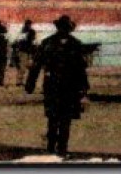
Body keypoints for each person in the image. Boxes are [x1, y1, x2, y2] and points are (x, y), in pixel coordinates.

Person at [27, 15, 90, 156]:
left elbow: (81, 70)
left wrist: (84, 91)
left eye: (66, 28)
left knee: (65, 119)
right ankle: (51, 148)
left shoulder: (76, 44)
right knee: (53, 118)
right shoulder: (47, 43)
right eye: (62, 28)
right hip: (52, 86)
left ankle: (62, 149)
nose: (64, 31)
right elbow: (36, 65)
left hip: (70, 87)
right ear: (58, 28)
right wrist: (30, 84)